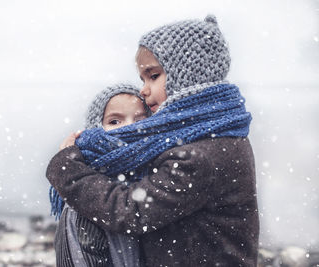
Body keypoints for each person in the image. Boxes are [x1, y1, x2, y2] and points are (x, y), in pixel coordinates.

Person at [47, 15, 259, 266]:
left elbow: (132, 212)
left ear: (187, 75)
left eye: (154, 76)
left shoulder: (199, 154)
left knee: (81, 213)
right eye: (142, 79)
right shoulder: (206, 135)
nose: (144, 90)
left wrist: (69, 170)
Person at [51, 84, 150, 267]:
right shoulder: (82, 201)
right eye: (114, 121)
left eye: (140, 120)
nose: (129, 127)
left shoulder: (156, 183)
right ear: (96, 128)